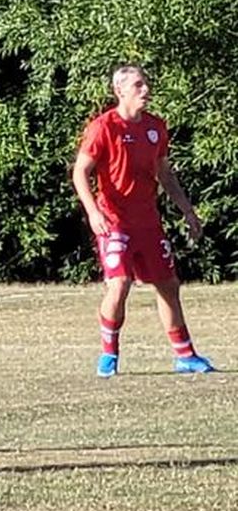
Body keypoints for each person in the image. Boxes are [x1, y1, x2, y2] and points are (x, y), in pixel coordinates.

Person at [72, 64, 214, 377]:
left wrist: (187, 209)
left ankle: (185, 356)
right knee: (120, 284)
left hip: (148, 221)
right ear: (119, 90)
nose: (145, 90)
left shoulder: (155, 127)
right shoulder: (103, 127)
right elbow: (80, 171)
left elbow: (164, 173)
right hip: (114, 221)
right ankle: (109, 354)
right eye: (138, 85)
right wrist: (93, 212)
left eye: (145, 84)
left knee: (168, 285)